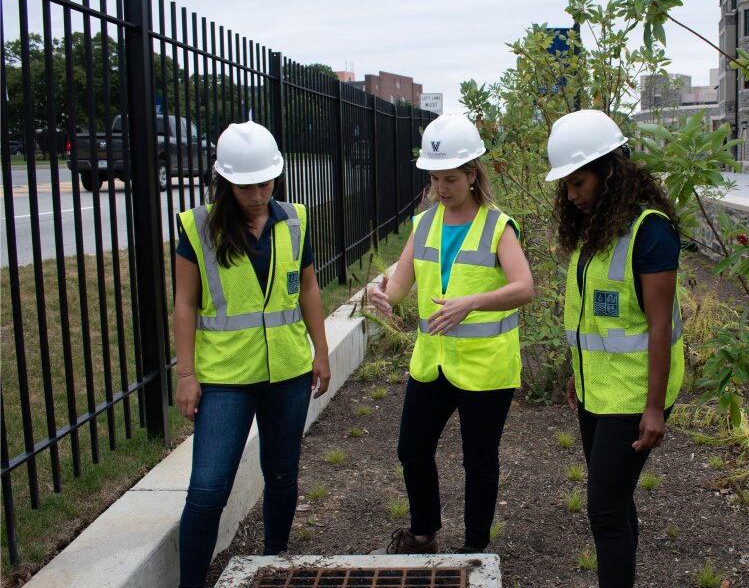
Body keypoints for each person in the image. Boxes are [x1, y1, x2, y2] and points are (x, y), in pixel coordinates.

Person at [173, 121, 331, 588]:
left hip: (287, 371)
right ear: (224, 181)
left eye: (265, 183)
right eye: (246, 187)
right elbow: (184, 303)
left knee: (281, 476)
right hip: (225, 378)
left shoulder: (295, 220)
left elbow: (308, 288)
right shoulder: (199, 228)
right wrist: (186, 374)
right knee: (208, 490)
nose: (258, 195)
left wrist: (321, 351)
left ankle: (273, 563)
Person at [369, 114, 534, 555]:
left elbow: (524, 287)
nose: (441, 189)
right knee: (412, 449)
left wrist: (471, 302)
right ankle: (424, 533)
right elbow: (399, 286)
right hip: (433, 363)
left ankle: (475, 551)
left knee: (478, 461)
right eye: (434, 179)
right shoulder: (423, 225)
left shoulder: (498, 226)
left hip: (485, 367)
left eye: (451, 179)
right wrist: (381, 294)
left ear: (473, 174)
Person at [544, 110, 684, 588]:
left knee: (604, 511)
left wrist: (654, 408)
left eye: (578, 183)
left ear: (610, 172)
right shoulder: (599, 229)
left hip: (635, 394)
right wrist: (578, 373)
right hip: (597, 391)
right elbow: (596, 319)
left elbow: (659, 327)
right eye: (566, 186)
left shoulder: (651, 232)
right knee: (617, 504)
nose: (572, 195)